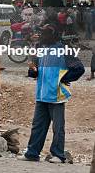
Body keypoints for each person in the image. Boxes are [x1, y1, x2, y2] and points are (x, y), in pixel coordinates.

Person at [21, 24, 85, 163]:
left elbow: (79, 69)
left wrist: (64, 79)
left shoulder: (64, 50)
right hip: (42, 94)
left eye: (45, 34)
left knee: (58, 127)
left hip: (57, 95)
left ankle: (58, 155)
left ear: (54, 35)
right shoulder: (42, 49)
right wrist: (33, 70)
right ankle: (32, 153)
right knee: (38, 125)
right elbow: (35, 71)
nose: (42, 36)